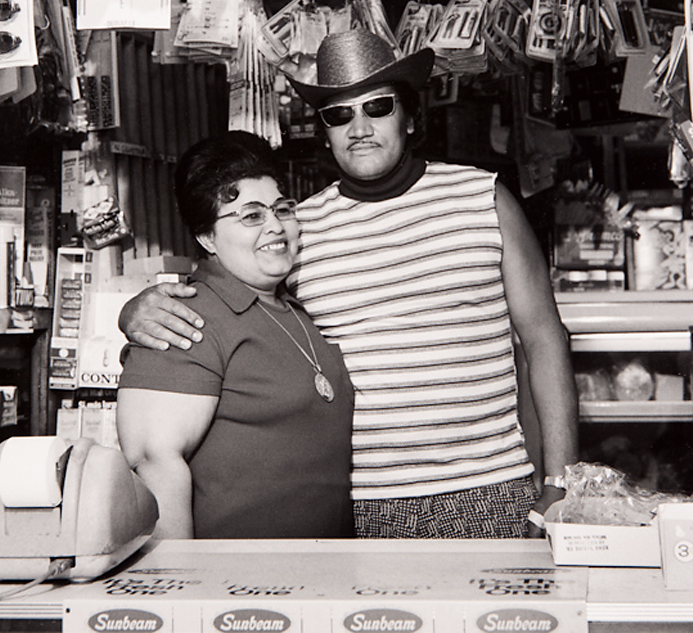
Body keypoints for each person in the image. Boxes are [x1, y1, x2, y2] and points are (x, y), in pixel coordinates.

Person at [119, 28, 578, 539]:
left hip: (490, 489)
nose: (359, 127)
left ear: (409, 115)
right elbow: (233, 287)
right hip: (361, 505)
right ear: (325, 131)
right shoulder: (298, 225)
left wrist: (561, 480)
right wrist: (139, 308)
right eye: (339, 114)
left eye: (378, 107)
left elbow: (543, 338)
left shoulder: (482, 199)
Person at [116, 131, 354, 540]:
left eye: (282, 209)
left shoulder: (295, 305)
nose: (276, 227)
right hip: (237, 585)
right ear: (206, 237)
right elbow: (153, 459)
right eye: (251, 216)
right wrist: (181, 584)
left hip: (325, 577)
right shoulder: (182, 318)